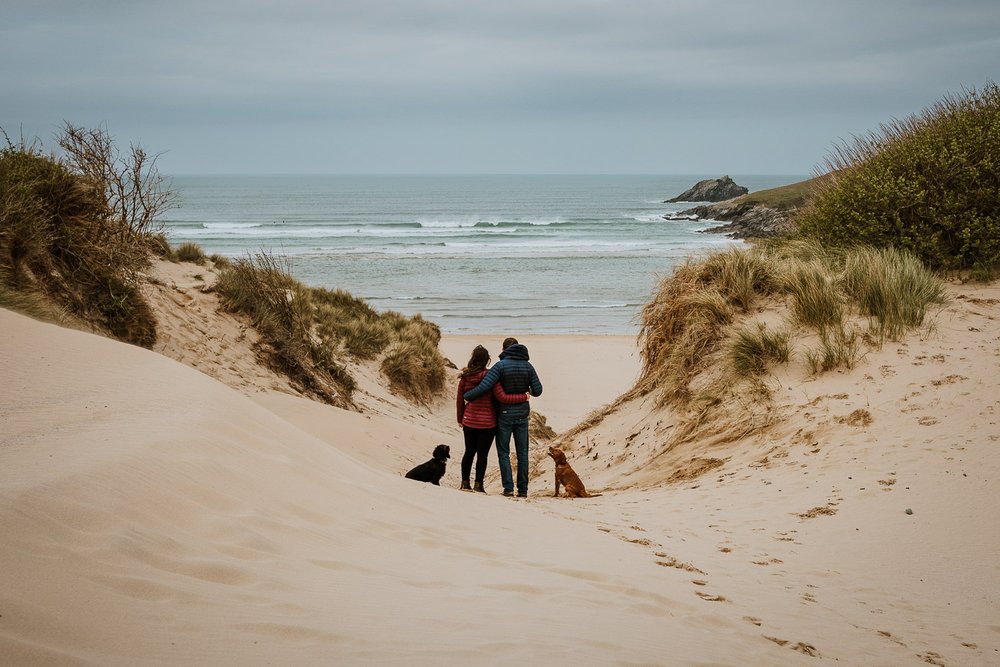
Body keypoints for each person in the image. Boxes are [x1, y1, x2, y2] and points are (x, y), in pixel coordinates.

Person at [462, 337, 542, 498]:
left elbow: (485, 386)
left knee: (504, 452)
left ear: (504, 349)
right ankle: (523, 490)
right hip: (522, 415)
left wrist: (468, 396)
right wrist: (527, 393)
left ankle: (508, 489)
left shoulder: (500, 366)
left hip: (504, 415)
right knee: (523, 453)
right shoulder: (528, 366)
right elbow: (538, 390)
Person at [455, 345, 527, 494]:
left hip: (469, 420)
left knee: (469, 452)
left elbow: (459, 400)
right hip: (487, 423)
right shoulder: (491, 376)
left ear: (472, 359)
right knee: (482, 454)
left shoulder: (465, 376)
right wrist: (523, 397)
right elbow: (501, 397)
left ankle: (464, 483)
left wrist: (460, 418)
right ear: (487, 360)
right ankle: (479, 485)